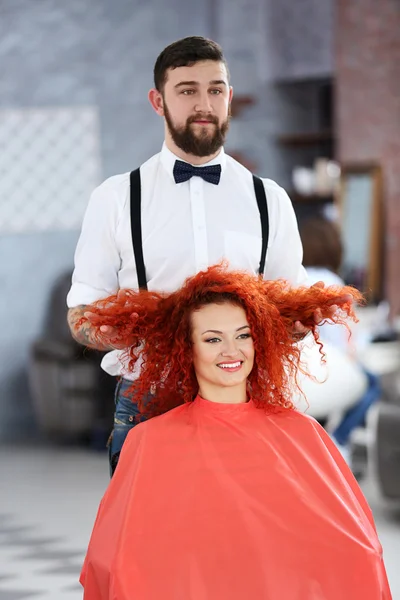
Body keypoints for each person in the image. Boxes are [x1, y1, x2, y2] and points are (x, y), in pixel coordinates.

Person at [66, 36, 349, 472]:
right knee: (152, 536)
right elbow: (81, 315)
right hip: (150, 402)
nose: (204, 103)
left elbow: (287, 313)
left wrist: (300, 321)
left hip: (248, 403)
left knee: (244, 538)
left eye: (216, 89)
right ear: (158, 101)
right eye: (187, 90)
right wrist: (138, 329)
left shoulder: (268, 199)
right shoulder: (117, 198)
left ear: (229, 97)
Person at [79, 264, 391, 600]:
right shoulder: (149, 441)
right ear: (187, 348)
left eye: (243, 335)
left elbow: (357, 548)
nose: (232, 350)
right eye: (213, 339)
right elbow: (118, 560)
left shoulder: (302, 434)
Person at [298, 216, 381, 457]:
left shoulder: (294, 279)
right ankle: (340, 439)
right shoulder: (333, 283)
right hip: (327, 366)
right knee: (372, 383)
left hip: (298, 371)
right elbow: (341, 341)